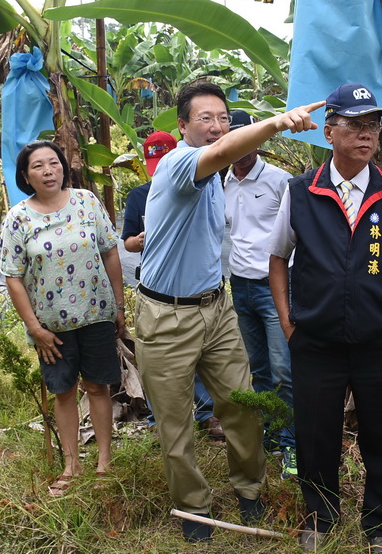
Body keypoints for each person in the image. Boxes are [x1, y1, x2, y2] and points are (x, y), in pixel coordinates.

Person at [135, 81, 321, 542]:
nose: (216, 127)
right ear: (182, 127)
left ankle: (250, 490)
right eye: (205, 119)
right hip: (166, 318)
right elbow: (219, 155)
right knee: (176, 424)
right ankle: (194, 509)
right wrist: (277, 122)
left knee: (242, 405)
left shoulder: (221, 180)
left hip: (217, 308)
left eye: (222, 118)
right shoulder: (181, 164)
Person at [268, 83, 382, 554]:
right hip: (315, 339)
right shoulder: (302, 192)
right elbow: (278, 258)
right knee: (315, 433)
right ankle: (320, 515)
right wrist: (287, 322)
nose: (366, 135)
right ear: (329, 131)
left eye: (373, 126)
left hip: (378, 340)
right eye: (355, 125)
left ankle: (381, 522)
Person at [0, 141, 126, 496]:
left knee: (99, 387)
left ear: (63, 167)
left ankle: (104, 461)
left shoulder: (86, 201)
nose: (48, 171)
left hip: (96, 314)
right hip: (50, 326)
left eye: (53, 163)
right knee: (64, 390)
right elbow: (12, 275)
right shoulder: (18, 217)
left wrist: (118, 305)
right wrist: (34, 328)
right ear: (26, 176)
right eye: (38, 166)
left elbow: (110, 250)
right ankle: (71, 464)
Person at [121, 131, 222, 440]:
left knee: (200, 357)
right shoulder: (138, 196)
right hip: (157, 292)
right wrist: (138, 241)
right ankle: (157, 419)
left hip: (197, 290)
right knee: (158, 364)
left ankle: (206, 413)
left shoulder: (201, 185)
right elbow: (126, 241)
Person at [223, 110, 296, 476]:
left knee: (285, 368)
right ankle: (270, 432)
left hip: (275, 287)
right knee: (258, 369)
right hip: (240, 285)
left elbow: (298, 234)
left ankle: (292, 445)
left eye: (247, 136)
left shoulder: (279, 181)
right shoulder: (223, 181)